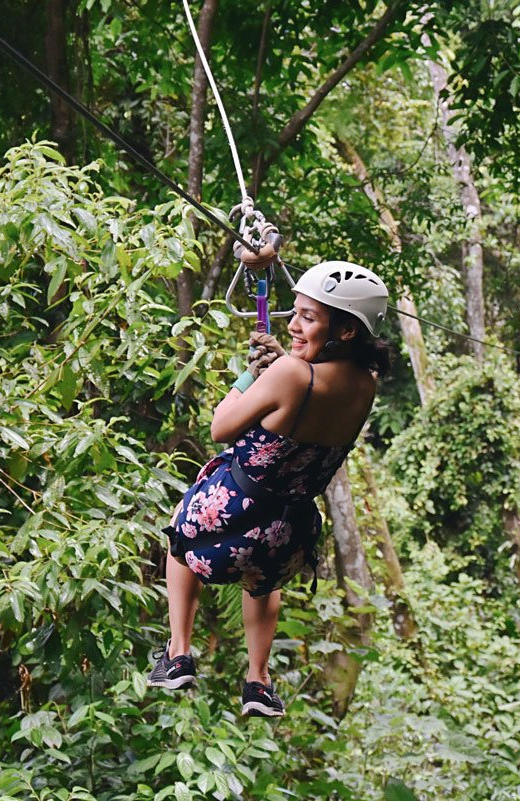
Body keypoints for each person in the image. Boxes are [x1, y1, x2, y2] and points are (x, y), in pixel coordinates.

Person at [147, 260, 391, 717]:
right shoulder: (365, 384)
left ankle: (178, 650)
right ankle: (258, 680)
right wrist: (286, 360)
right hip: (288, 535)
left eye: (309, 318)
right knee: (259, 582)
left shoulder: (292, 375)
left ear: (348, 330)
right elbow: (305, 392)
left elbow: (222, 427)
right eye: (294, 313)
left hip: (228, 517)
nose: (294, 325)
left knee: (179, 541)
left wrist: (250, 376)